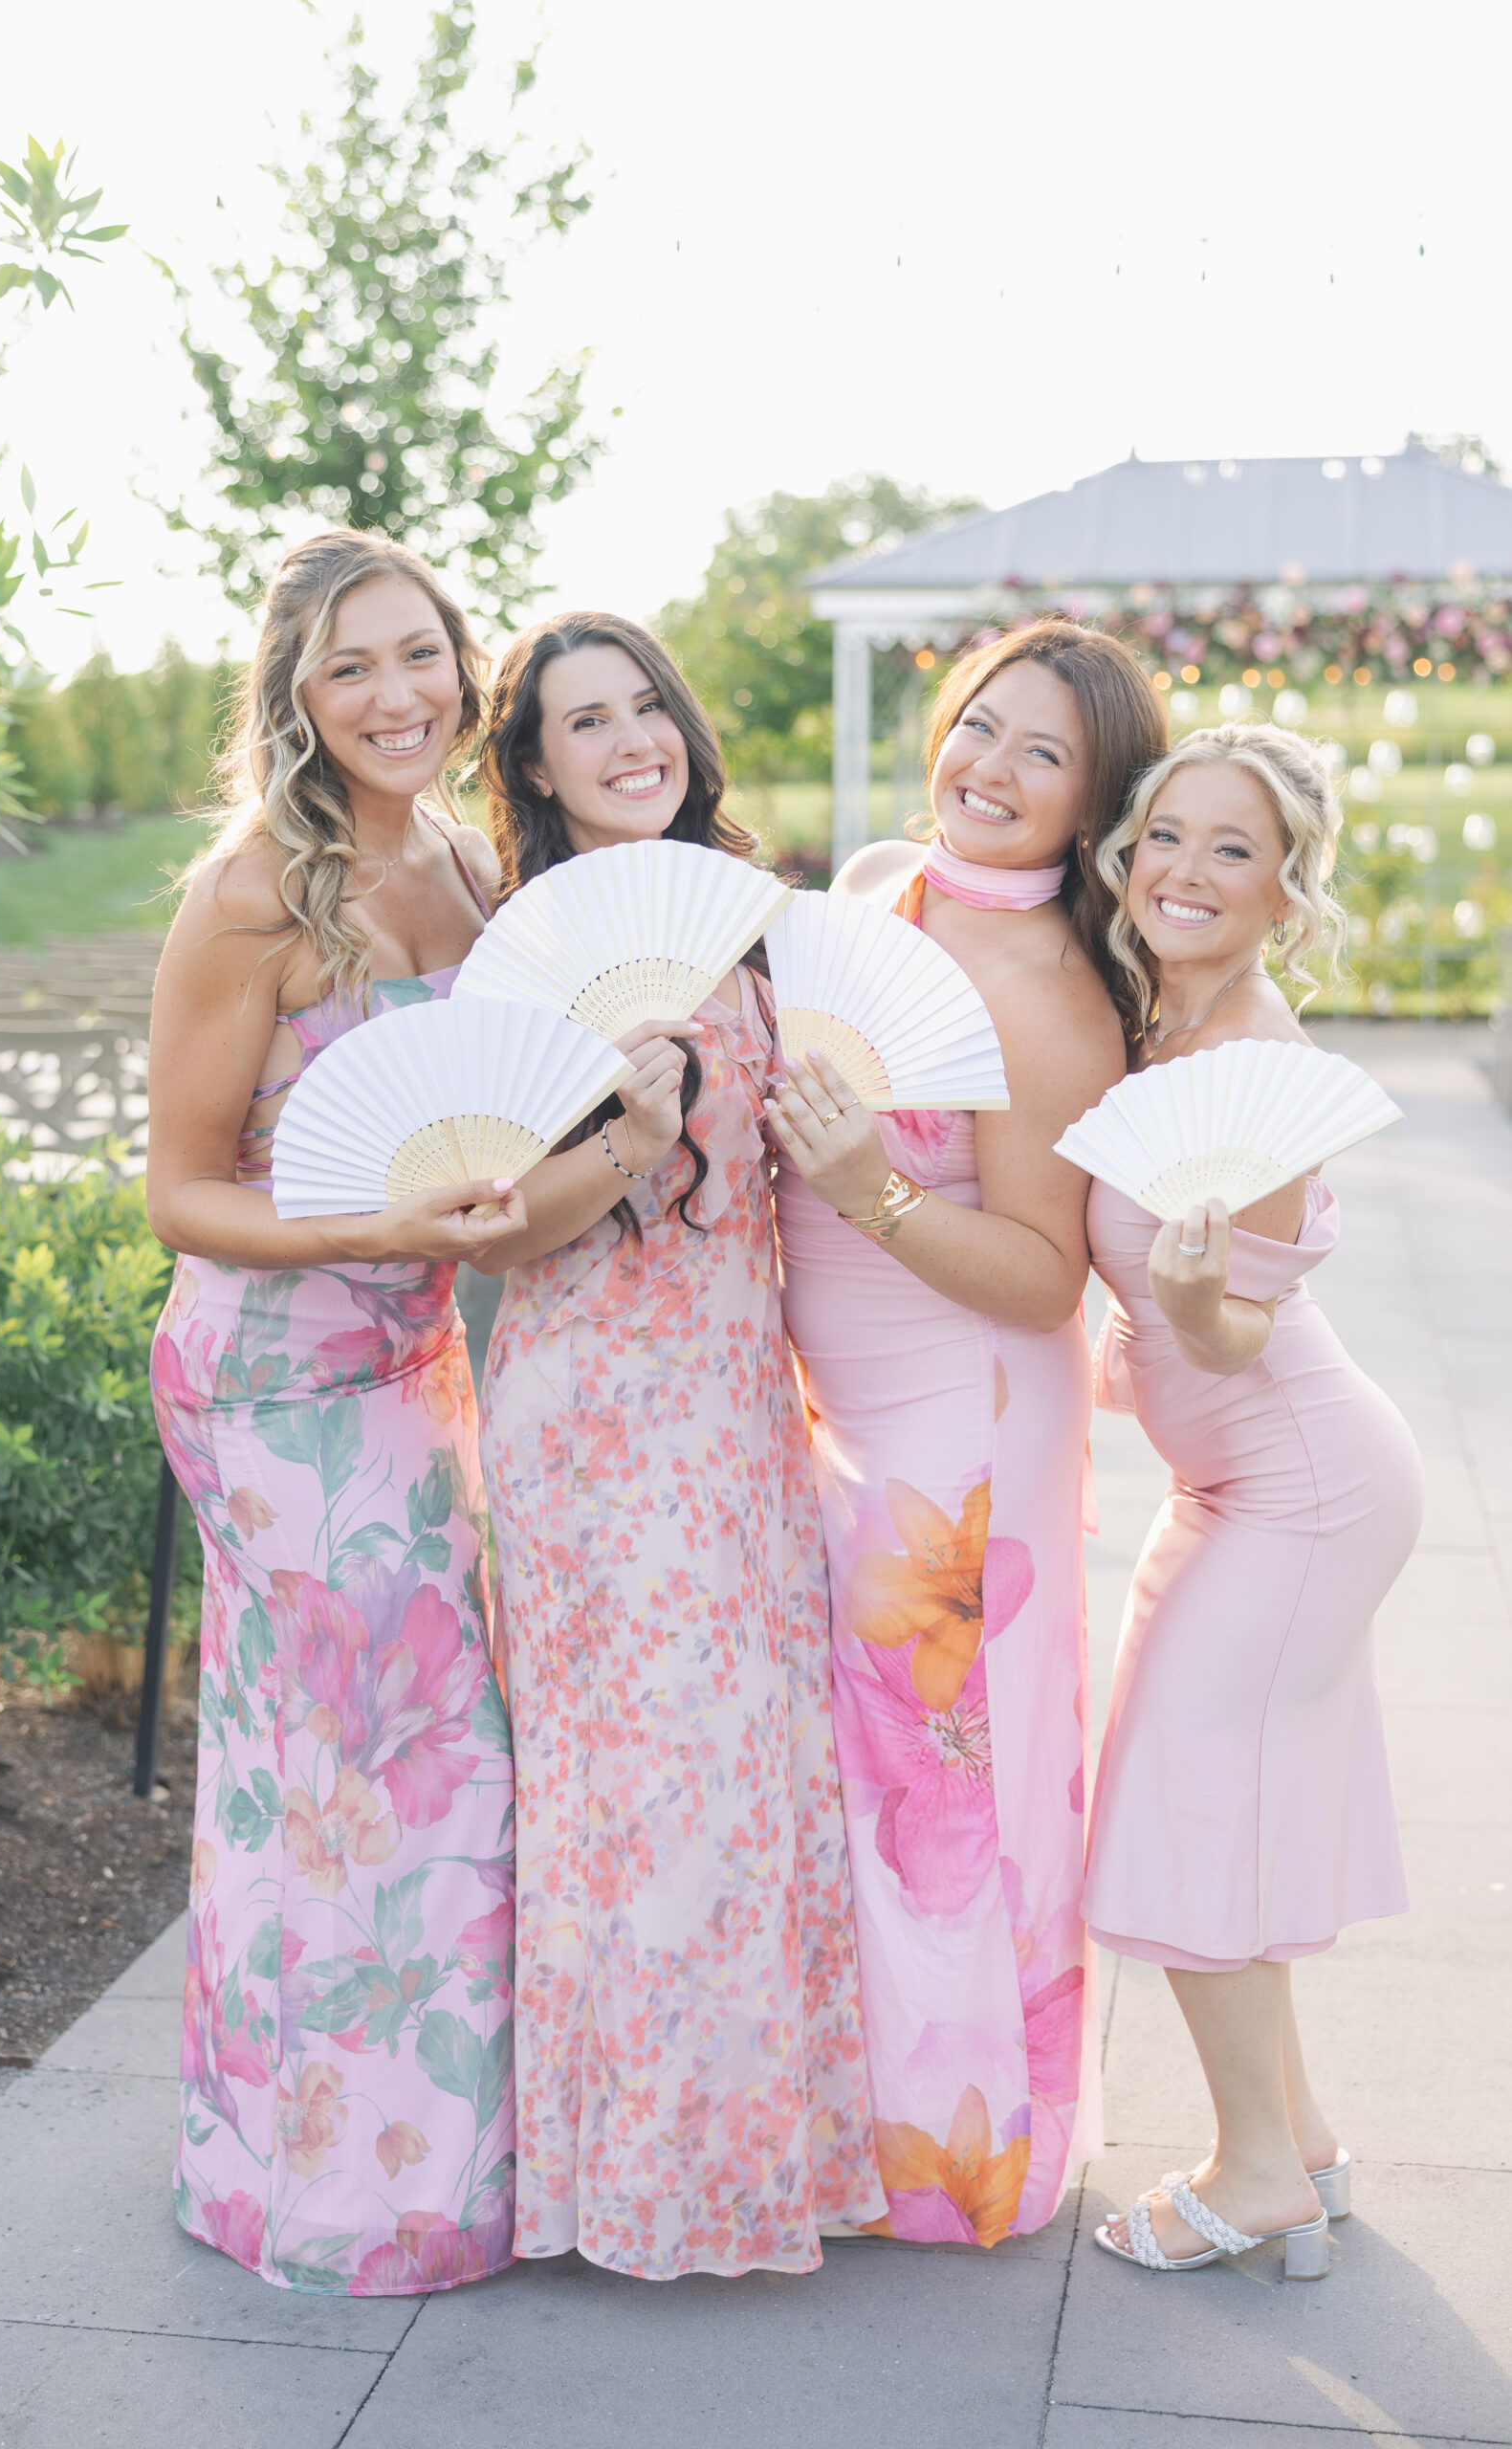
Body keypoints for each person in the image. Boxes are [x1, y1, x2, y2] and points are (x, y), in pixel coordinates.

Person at [471, 610, 884, 2280]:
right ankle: (638, 2182)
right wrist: (628, 1136)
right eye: (585, 720)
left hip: (736, 1407)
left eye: (646, 705)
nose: (630, 739)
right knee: (640, 1790)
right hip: (593, 1413)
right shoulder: (526, 951)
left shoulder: (749, 922)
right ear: (535, 764)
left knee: (744, 1775)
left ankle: (759, 2156)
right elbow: (497, 1234)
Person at [144, 530, 530, 2296]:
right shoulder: (252, 895)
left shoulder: (469, 860)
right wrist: (372, 1227)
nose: (397, 695)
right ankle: (325, 2198)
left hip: (412, 1358)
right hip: (274, 1375)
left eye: (420, 654)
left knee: (424, 1759)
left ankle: (437, 2164)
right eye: (352, 667)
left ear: (463, 661)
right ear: (296, 694)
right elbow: (179, 1192)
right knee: (354, 1772)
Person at [766, 621, 1167, 2245]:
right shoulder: (875, 893)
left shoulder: (1050, 993)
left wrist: (866, 1187)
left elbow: (1042, 1275)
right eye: (980, 726)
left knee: (944, 1788)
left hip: (965, 1418)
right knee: (858, 1773)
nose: (990, 769)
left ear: (1092, 803)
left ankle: (955, 2159)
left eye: (1042, 754)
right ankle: (858, 2110)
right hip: (836, 1408)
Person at [1080, 722, 1422, 2276]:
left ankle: (1258, 2174)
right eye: (1166, 835)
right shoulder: (1161, 1024)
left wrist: (1183, 1300)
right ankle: (1308, 2141)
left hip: (1303, 1487)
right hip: (1230, 1485)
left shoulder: (1261, 1067)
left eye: (1234, 849)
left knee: (1188, 1791)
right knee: (1230, 1794)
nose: (1186, 870)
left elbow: (1234, 1336)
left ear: (1288, 891)